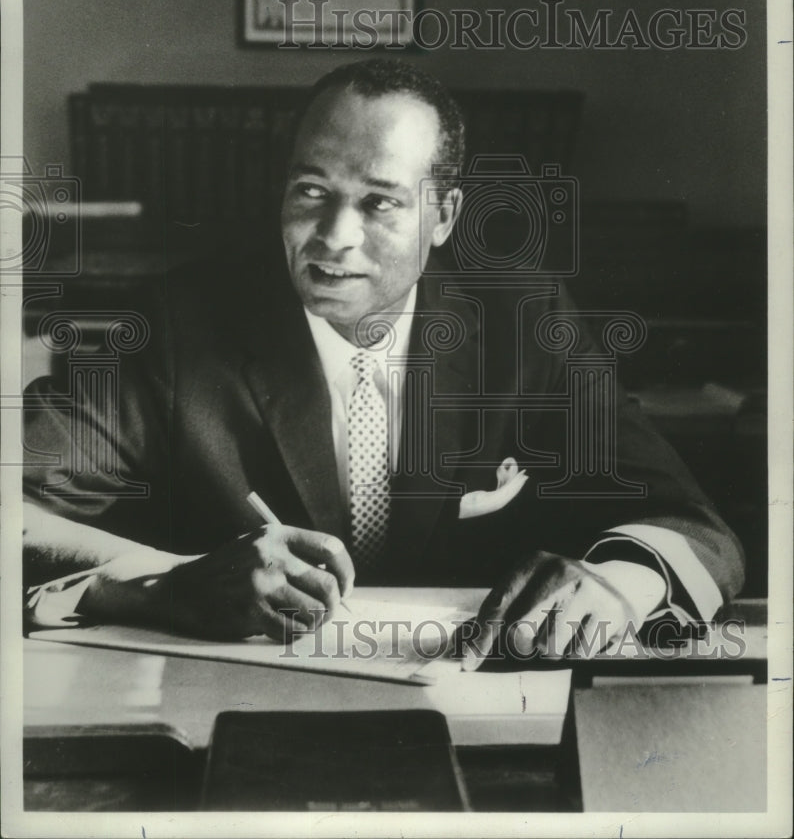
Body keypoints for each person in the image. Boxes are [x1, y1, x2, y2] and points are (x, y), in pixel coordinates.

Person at [23, 59, 744, 667]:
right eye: (311, 192)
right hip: (237, 696)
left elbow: (696, 527)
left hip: (480, 703)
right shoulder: (181, 323)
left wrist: (618, 584)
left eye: (380, 203)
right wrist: (161, 586)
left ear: (445, 217)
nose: (334, 236)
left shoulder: (522, 321)